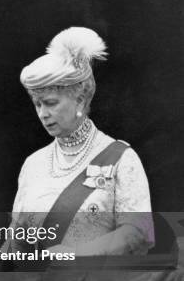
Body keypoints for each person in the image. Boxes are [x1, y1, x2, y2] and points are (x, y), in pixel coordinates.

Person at [10, 27, 154, 256]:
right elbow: (16, 245)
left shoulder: (121, 158)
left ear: (79, 99)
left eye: (50, 103)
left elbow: (137, 233)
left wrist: (77, 255)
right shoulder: (33, 164)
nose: (42, 114)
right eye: (37, 104)